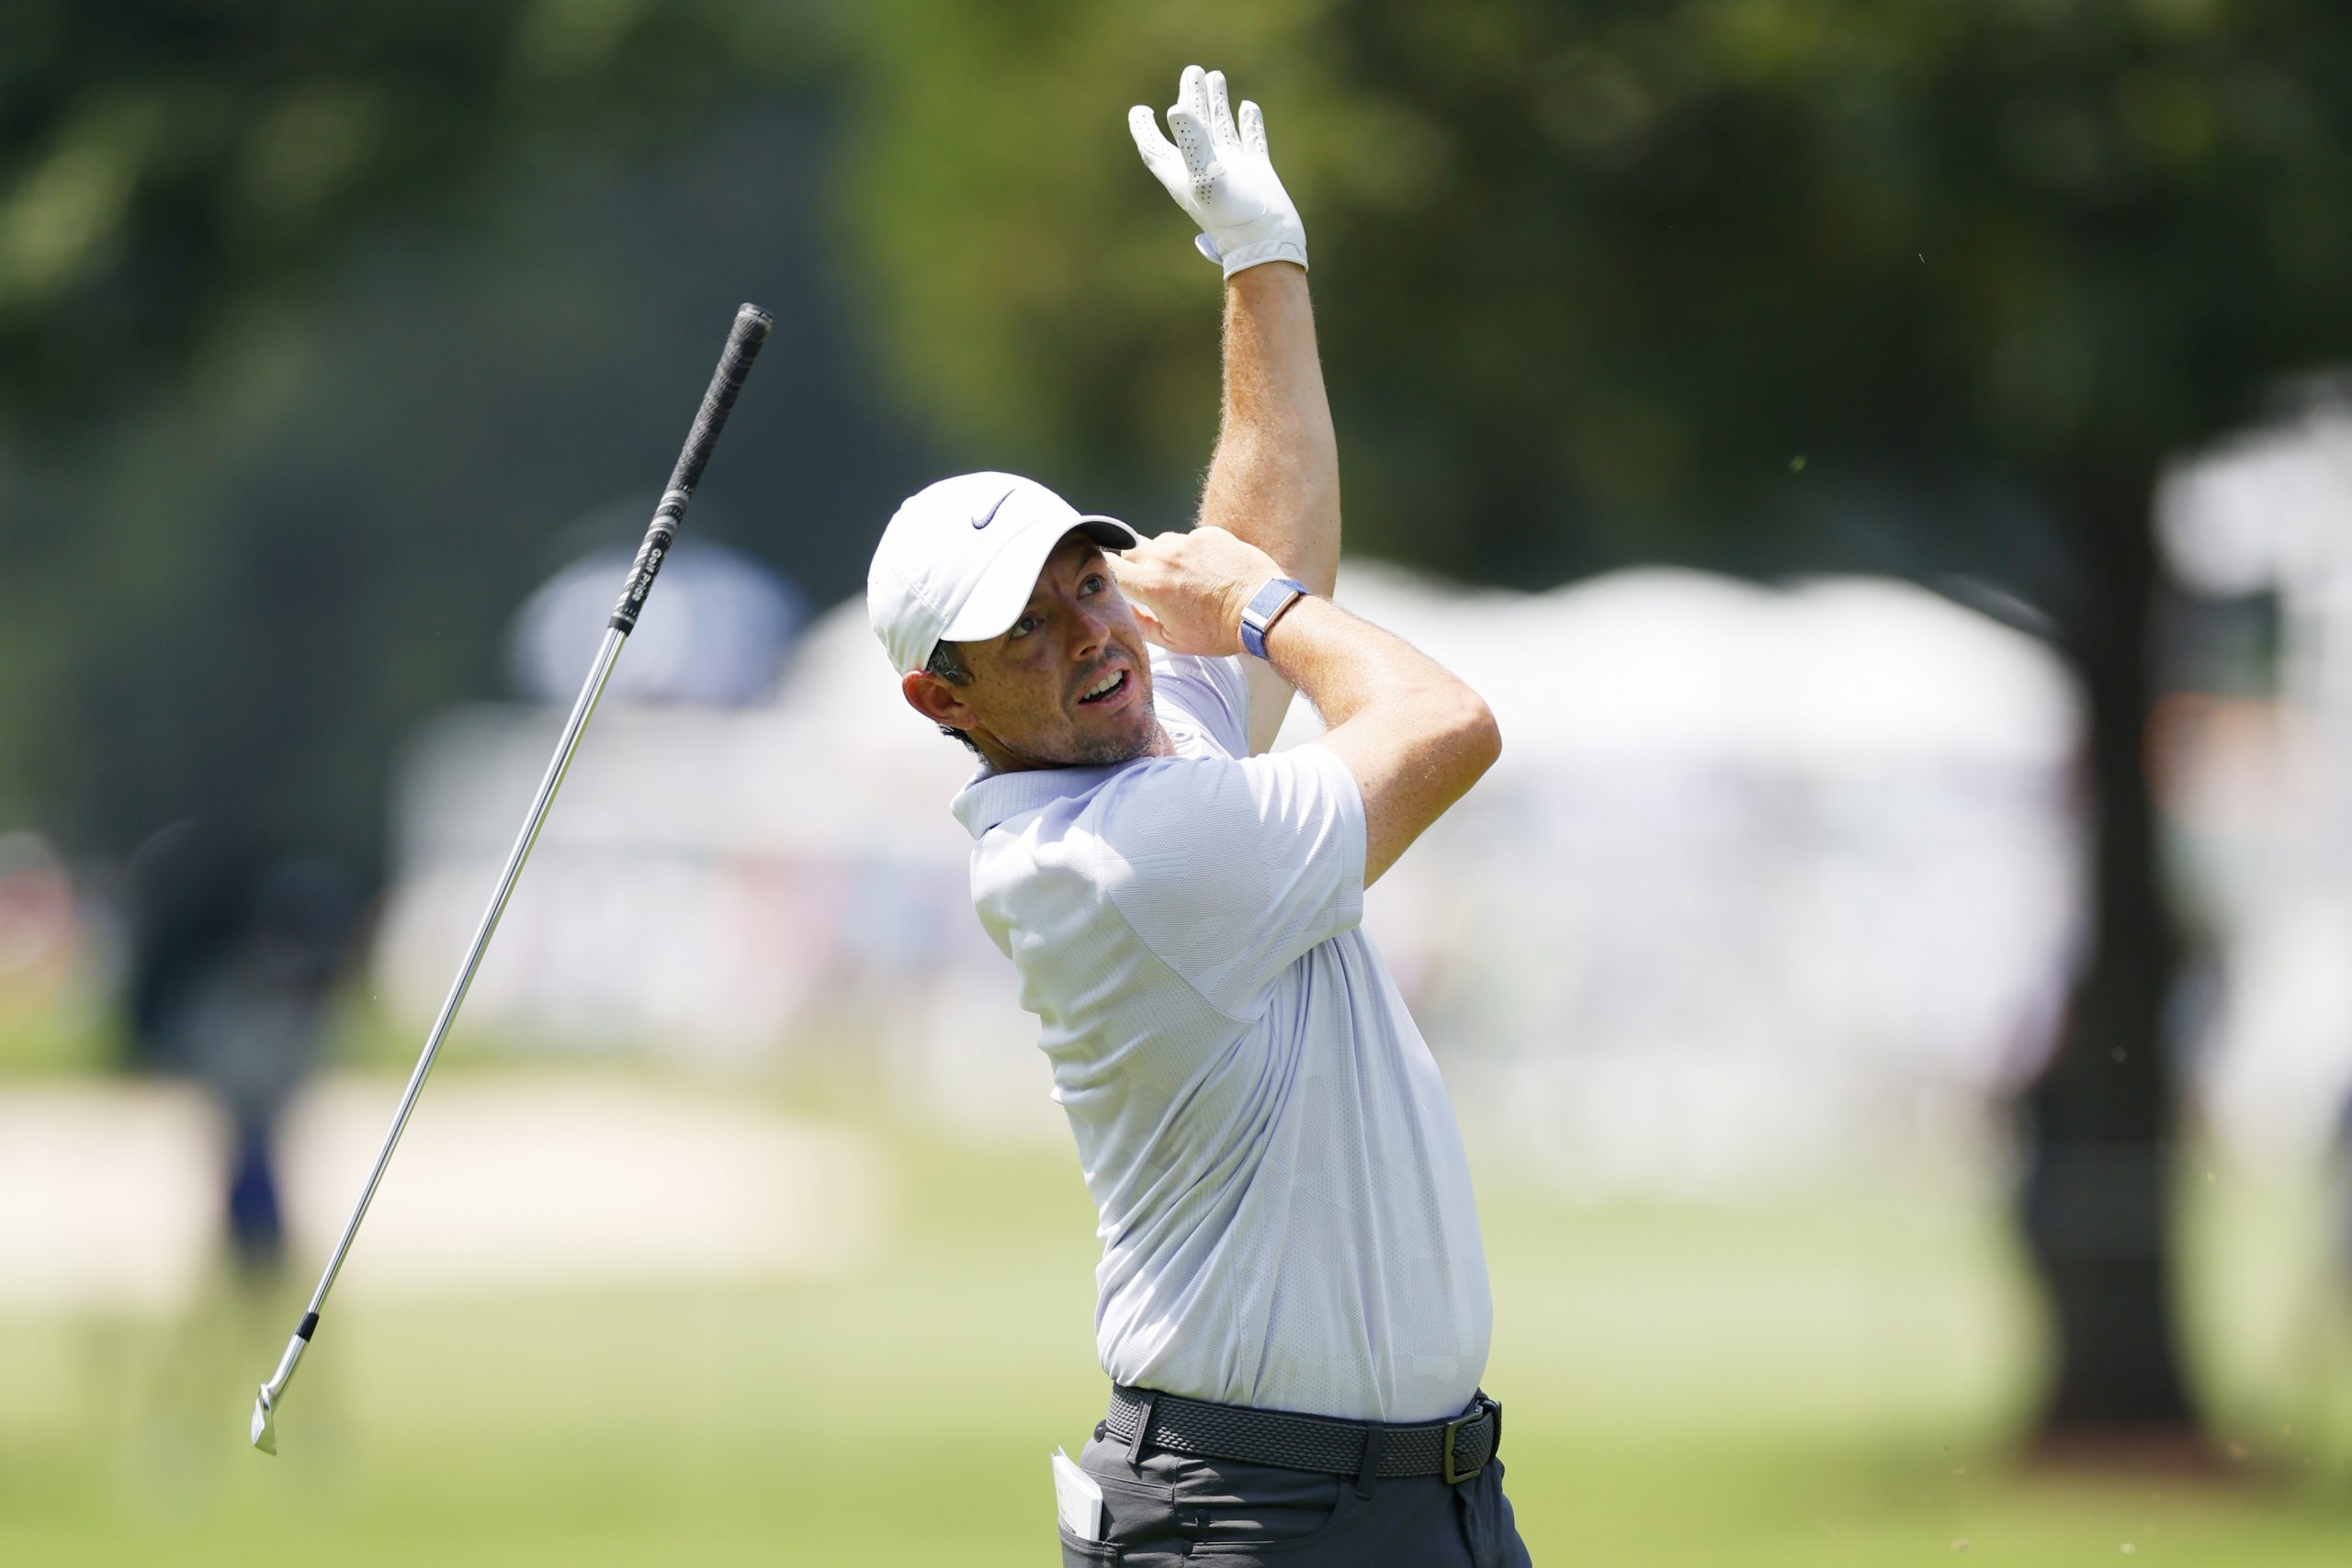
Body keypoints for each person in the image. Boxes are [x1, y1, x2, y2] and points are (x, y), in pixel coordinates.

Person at [865, 65, 1529, 1568]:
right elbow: (1440, 725)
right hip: (1255, 1521)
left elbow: (1251, 531)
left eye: (1087, 583)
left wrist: (1260, 264)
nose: (1092, 635)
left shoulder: (1133, 758)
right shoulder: (1121, 857)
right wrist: (1267, 610)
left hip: (1428, 1504)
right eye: (1025, 631)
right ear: (941, 704)